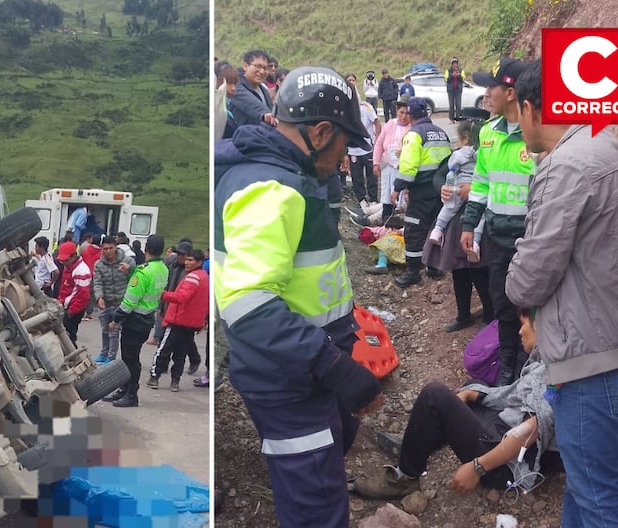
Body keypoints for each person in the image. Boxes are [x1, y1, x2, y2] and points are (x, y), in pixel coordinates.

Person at [214, 66, 383, 527]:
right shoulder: (271, 189)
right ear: (321, 131)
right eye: (345, 143)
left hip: (303, 370)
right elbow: (250, 306)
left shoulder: (283, 174)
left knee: (327, 463)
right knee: (316, 513)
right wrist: (333, 367)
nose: (347, 158)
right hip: (288, 382)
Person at [506, 59, 618, 527]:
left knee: (598, 496)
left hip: (590, 359)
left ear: (529, 107)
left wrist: (513, 282)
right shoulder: (608, 147)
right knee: (584, 488)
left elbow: (530, 278)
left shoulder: (564, 167)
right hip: (617, 346)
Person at [354, 308, 557, 499]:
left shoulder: (548, 374)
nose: (520, 331)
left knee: (434, 395)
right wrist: (475, 394)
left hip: (507, 467)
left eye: (524, 324)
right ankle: (420, 441)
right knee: (475, 386)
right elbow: (514, 394)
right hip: (506, 431)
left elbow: (532, 429)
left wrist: (478, 467)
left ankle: (404, 478)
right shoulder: (549, 360)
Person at [461, 57, 534, 386]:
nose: (486, 93)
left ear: (510, 92)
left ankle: (533, 368)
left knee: (532, 305)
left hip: (531, 238)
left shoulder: (535, 137)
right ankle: (508, 369)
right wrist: (468, 225)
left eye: (491, 86)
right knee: (503, 304)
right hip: (498, 238)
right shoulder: (488, 133)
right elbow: (480, 184)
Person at [424, 110, 495, 332]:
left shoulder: (491, 155)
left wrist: (474, 189)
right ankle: (463, 314)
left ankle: (490, 315)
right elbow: (438, 175)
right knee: (458, 269)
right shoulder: (457, 155)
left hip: (480, 219)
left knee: (478, 270)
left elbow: (500, 182)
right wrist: (442, 188)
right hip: (456, 220)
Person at [391, 97, 452, 288]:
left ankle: (413, 272)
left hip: (421, 191)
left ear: (410, 115)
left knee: (414, 228)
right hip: (440, 189)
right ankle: (434, 267)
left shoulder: (414, 135)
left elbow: (408, 167)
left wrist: (397, 188)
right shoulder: (441, 133)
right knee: (436, 227)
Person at [103, 235, 168, 408]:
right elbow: (150, 289)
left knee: (130, 360)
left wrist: (115, 320)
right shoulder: (162, 268)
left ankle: (131, 394)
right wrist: (131, 272)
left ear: (146, 248)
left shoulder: (142, 272)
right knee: (129, 358)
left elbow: (129, 301)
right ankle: (124, 390)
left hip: (135, 320)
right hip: (147, 318)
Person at [148, 249, 209, 392]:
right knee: (180, 354)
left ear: (199, 262)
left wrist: (162, 294)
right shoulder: (204, 276)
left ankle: (154, 377)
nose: (187, 263)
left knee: (163, 350)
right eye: (187, 259)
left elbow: (181, 297)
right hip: (192, 323)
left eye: (191, 260)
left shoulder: (192, 278)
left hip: (178, 321)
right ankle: (175, 381)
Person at [429, 119, 485, 262]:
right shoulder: (480, 154)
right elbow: (440, 175)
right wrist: (443, 187)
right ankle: (475, 244)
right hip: (465, 216)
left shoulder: (461, 155)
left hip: (473, 207)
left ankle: (438, 230)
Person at [92, 235, 135, 365]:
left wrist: (130, 270)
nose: (108, 251)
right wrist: (99, 297)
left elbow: (137, 277)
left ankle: (111, 357)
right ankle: (104, 353)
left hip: (121, 302)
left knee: (114, 331)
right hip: (106, 302)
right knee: (105, 330)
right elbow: (97, 282)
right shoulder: (98, 265)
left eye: (111, 248)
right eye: (105, 249)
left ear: (116, 247)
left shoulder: (128, 261)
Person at [372, 95, 412, 221]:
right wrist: (376, 162)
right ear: (397, 111)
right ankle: (385, 221)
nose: (404, 116)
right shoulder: (390, 124)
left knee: (400, 202)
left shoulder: (412, 128)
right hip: (388, 167)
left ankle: (397, 224)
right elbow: (379, 144)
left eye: (407, 113)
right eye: (401, 112)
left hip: (402, 169)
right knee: (387, 198)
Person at [345, 72, 381, 205]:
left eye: (353, 80)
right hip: (353, 150)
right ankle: (361, 200)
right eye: (348, 80)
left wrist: (377, 141)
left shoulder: (366, 106)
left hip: (368, 148)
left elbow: (377, 123)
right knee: (357, 177)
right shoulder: (345, 108)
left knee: (372, 175)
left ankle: (373, 200)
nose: (351, 83)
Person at [229, 50, 276, 129]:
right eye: (257, 66)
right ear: (245, 66)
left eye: (265, 68)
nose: (262, 71)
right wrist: (265, 113)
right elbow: (249, 102)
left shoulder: (263, 90)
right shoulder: (236, 86)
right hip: (242, 137)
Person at [55, 240, 90, 346]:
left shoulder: (81, 271)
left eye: (66, 260)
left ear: (74, 256)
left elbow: (83, 296)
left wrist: (71, 311)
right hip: (66, 305)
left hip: (73, 309)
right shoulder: (69, 267)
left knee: (68, 337)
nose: (63, 263)